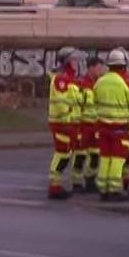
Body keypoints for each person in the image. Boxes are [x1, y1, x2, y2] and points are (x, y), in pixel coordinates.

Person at [92, 47, 129, 200]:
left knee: (105, 158)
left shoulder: (100, 82)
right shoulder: (123, 83)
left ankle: (103, 188)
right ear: (122, 66)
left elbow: (94, 102)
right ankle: (114, 189)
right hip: (120, 128)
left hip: (103, 127)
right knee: (117, 159)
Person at [46, 46, 83, 200]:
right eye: (74, 60)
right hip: (62, 123)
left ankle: (56, 184)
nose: (77, 63)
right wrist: (68, 117)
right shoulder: (62, 79)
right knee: (62, 154)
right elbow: (61, 102)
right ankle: (54, 186)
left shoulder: (70, 78)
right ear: (67, 61)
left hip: (70, 123)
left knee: (66, 154)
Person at [77, 53, 105, 190]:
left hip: (96, 125)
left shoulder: (100, 84)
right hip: (83, 124)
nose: (101, 71)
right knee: (80, 154)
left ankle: (90, 179)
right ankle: (76, 181)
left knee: (95, 154)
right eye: (99, 68)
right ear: (91, 68)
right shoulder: (82, 84)